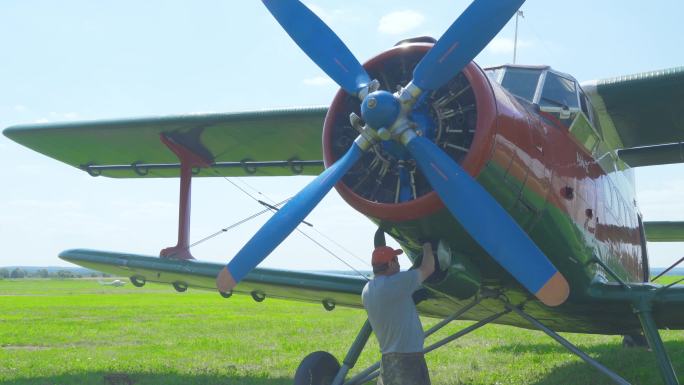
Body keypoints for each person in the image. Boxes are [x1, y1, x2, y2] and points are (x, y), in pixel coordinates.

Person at [362, 242, 435, 385]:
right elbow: (428, 268)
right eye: (396, 260)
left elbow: (392, 306)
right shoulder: (396, 283)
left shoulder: (367, 290)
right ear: (390, 263)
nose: (399, 264)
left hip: (388, 359)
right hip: (408, 360)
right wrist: (427, 246)